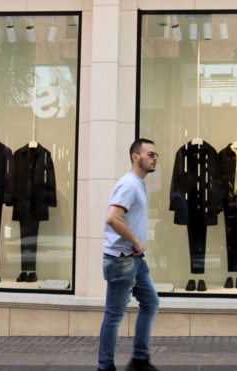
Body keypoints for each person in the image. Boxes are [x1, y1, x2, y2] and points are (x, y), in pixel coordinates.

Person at [98, 139, 160, 371]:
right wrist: (136, 241)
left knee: (150, 302)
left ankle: (140, 360)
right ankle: (105, 367)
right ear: (136, 157)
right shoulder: (129, 184)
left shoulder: (137, 183)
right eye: (150, 154)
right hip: (121, 260)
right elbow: (113, 217)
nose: (155, 158)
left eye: (156, 154)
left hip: (134, 260)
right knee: (114, 316)